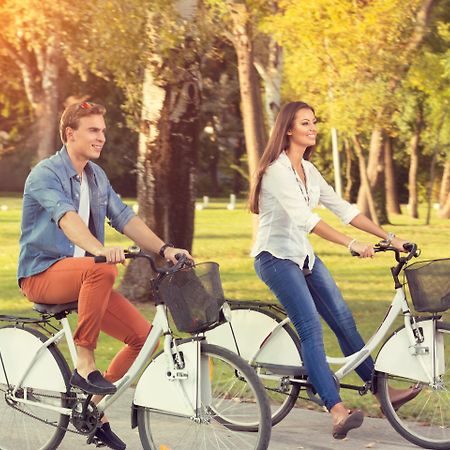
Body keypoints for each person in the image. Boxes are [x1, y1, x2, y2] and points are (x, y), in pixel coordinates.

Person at [18, 101, 192, 450]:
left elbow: (126, 218)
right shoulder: (45, 173)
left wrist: (164, 249)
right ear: (70, 134)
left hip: (84, 276)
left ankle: (93, 409)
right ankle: (85, 364)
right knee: (102, 270)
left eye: (103, 130)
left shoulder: (96, 177)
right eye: (93, 130)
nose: (102, 137)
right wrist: (99, 250)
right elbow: (67, 219)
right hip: (41, 273)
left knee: (144, 338)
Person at [249, 101, 421, 439]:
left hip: (303, 257)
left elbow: (343, 209)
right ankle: (336, 410)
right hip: (274, 258)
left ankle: (382, 394)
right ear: (288, 130)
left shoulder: (308, 171)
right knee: (311, 327)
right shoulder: (276, 171)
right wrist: (350, 244)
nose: (312, 128)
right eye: (305, 123)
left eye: (314, 122)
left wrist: (391, 237)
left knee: (343, 321)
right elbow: (307, 220)